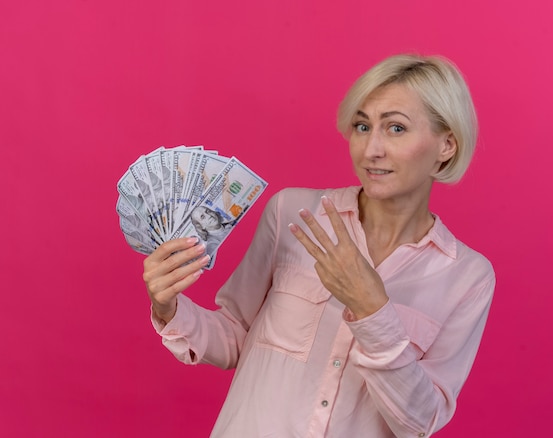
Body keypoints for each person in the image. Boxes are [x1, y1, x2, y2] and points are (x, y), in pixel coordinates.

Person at [143, 53, 495, 437]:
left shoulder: (468, 277)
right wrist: (169, 307)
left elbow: (420, 421)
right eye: (362, 126)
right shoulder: (291, 213)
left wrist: (372, 310)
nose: (371, 149)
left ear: (446, 145)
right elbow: (234, 336)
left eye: (396, 129)